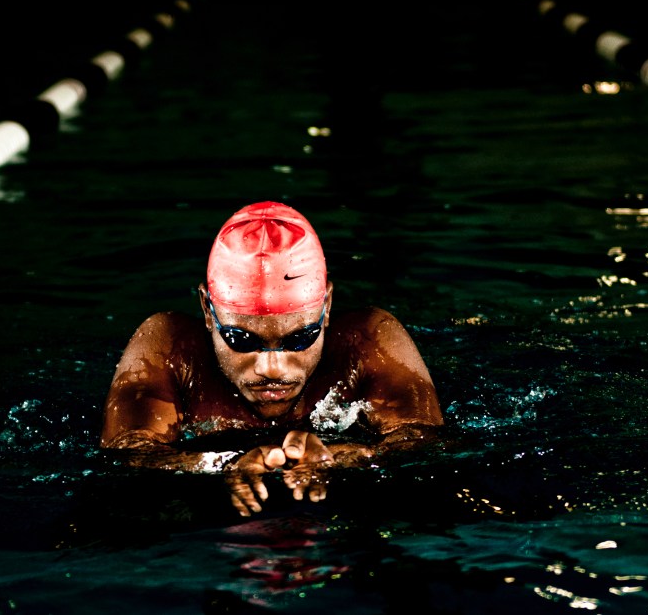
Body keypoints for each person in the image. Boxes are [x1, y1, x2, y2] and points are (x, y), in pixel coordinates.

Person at [101, 201, 443, 516]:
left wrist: (350, 457)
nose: (271, 369)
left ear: (326, 308)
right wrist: (223, 464)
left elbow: (423, 442)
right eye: (241, 339)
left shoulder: (368, 341)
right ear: (207, 309)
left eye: (300, 338)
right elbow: (128, 454)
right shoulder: (171, 348)